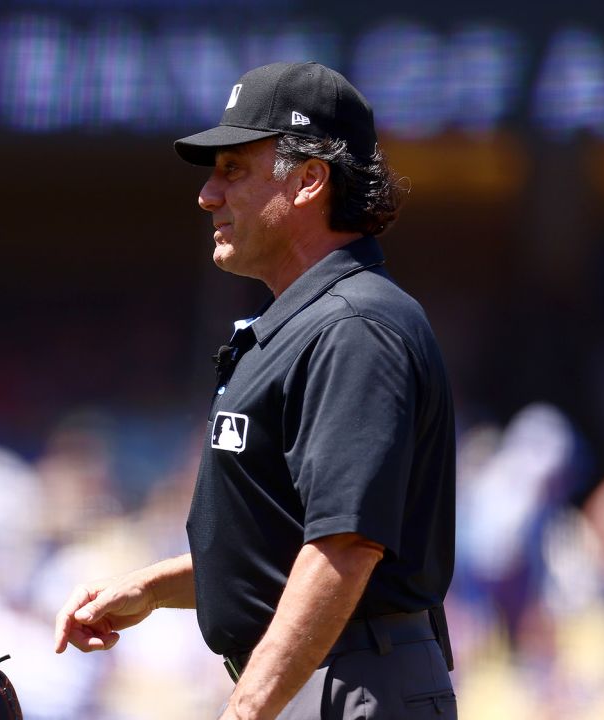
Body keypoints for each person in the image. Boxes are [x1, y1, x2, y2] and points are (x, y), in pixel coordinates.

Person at [53, 62, 457, 719]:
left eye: (233, 169)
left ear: (308, 180)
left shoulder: (355, 325)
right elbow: (285, 547)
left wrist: (246, 710)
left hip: (350, 681)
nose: (208, 195)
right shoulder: (305, 321)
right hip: (319, 676)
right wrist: (152, 589)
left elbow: (344, 549)